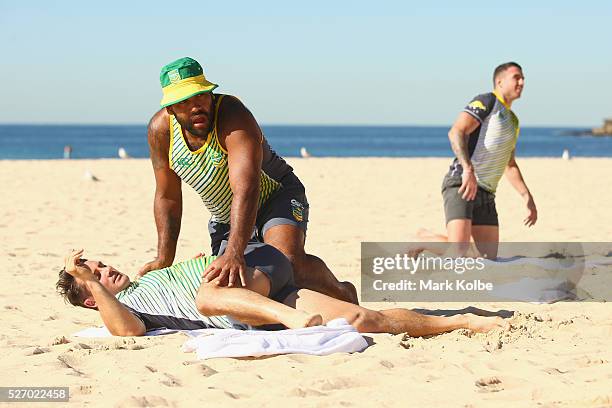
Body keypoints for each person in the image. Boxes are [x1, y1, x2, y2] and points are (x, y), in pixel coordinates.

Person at [139, 57, 357, 304]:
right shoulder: (161, 132)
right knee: (236, 283)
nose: (196, 106)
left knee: (285, 262)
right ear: (170, 108)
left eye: (200, 96)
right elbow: (167, 197)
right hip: (226, 216)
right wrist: (163, 259)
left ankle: (343, 293)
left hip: (275, 196)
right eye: (184, 102)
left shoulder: (233, 116)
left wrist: (234, 252)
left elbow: (247, 187)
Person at [57, 248, 505, 337]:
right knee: (365, 320)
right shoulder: (128, 309)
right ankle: (458, 321)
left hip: (254, 275)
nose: (104, 268)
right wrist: (94, 285)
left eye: (100, 262)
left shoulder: (150, 275)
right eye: (94, 275)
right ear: (92, 300)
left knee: (206, 295)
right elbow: (127, 332)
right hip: (259, 305)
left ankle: (295, 322)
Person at [442, 62, 537, 258]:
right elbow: (456, 132)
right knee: (458, 252)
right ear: (499, 81)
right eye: (516, 77)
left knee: (487, 259)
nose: (522, 82)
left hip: (486, 193)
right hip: (463, 184)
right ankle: (420, 239)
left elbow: (509, 165)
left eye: (523, 78)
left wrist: (526, 196)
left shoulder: (513, 120)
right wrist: (467, 169)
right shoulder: (486, 102)